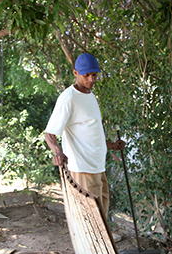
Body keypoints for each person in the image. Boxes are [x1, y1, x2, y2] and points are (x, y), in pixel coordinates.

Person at [44, 53, 125, 217]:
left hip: (98, 167)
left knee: (102, 216)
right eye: (86, 75)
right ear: (75, 73)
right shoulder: (68, 98)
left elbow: (92, 131)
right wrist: (57, 153)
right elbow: (50, 133)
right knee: (92, 220)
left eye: (94, 75)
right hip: (83, 169)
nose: (91, 79)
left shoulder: (90, 96)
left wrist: (112, 145)